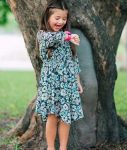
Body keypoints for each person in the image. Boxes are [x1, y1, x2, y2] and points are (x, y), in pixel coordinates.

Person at [35, 0, 84, 150]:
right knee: (52, 116)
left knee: (65, 117)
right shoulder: (43, 35)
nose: (61, 22)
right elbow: (51, 39)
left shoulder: (65, 37)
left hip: (67, 82)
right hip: (51, 83)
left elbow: (73, 61)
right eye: (57, 18)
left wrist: (78, 81)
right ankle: (51, 148)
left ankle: (63, 148)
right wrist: (68, 37)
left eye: (64, 19)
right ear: (47, 18)